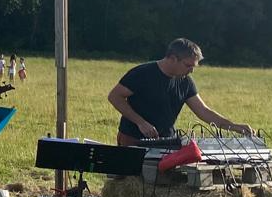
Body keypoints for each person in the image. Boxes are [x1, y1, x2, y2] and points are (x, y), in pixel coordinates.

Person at [107, 38, 252, 147]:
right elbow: (114, 96)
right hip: (133, 139)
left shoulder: (185, 81)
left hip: (166, 140)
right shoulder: (142, 73)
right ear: (172, 59)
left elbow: (203, 111)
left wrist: (234, 127)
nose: (192, 70)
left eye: (194, 66)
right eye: (188, 65)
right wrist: (141, 123)